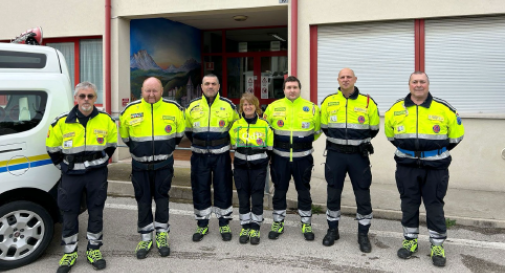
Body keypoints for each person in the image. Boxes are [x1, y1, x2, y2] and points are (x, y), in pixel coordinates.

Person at [385, 71, 464, 267]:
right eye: (414, 82)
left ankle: (437, 245)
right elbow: (391, 136)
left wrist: (431, 152)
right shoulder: (396, 108)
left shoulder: (444, 108)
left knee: (434, 205)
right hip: (406, 167)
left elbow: (456, 136)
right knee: (409, 203)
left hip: (435, 168)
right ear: (409, 85)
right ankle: (410, 241)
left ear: (427, 84)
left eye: (422, 81)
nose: (418, 85)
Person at [46, 81, 117, 273]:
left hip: (96, 175)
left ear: (95, 98)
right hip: (71, 176)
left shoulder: (106, 120)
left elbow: (111, 146)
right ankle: (69, 253)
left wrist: (98, 162)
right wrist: (62, 166)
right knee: (68, 213)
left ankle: (93, 250)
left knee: (96, 212)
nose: (86, 99)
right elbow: (52, 148)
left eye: (90, 96)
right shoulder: (61, 122)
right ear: (76, 98)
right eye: (82, 96)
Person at [119, 77, 185, 259]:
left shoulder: (173, 109)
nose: (151, 94)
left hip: (164, 165)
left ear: (161, 91)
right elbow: (125, 136)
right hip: (140, 166)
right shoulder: (131, 110)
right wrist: (138, 151)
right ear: (142, 90)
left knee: (162, 199)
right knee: (143, 200)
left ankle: (162, 235)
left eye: (155, 90)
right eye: (148, 90)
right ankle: (146, 237)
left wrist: (168, 148)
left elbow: (179, 135)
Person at [319, 68, 380, 253]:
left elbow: (374, 129)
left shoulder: (368, 102)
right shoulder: (329, 102)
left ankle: (363, 235)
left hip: (358, 156)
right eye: (342, 77)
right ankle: (332, 230)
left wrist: (356, 142)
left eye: (348, 77)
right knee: (333, 193)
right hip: (335, 154)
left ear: (355, 79)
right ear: (338, 80)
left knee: (362, 194)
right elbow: (324, 127)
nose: (345, 80)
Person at [263, 76, 321, 241]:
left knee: (303, 191)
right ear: (284, 89)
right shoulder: (273, 107)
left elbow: (316, 132)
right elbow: (266, 131)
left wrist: (301, 143)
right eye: (289, 87)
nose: (292, 90)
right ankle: (278, 222)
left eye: (295, 87)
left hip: (303, 158)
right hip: (279, 158)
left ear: (299, 89)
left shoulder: (311, 109)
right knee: (280, 191)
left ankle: (306, 223)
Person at [185, 73, 240, 242]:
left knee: (223, 189)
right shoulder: (192, 106)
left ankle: (224, 224)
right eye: (207, 83)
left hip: (221, 155)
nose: (210, 86)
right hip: (199, 156)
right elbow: (187, 130)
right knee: (200, 189)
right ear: (201, 87)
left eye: (213, 84)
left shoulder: (228, 106)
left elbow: (236, 128)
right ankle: (202, 224)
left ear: (218, 86)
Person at [229, 93, 273, 245]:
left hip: (258, 167)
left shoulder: (264, 125)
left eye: (250, 104)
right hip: (241, 166)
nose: (247, 107)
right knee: (242, 197)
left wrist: (267, 162)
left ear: (256, 106)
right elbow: (230, 144)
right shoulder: (236, 125)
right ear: (241, 108)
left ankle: (255, 227)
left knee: (257, 197)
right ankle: (245, 227)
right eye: (244, 105)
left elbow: (271, 147)